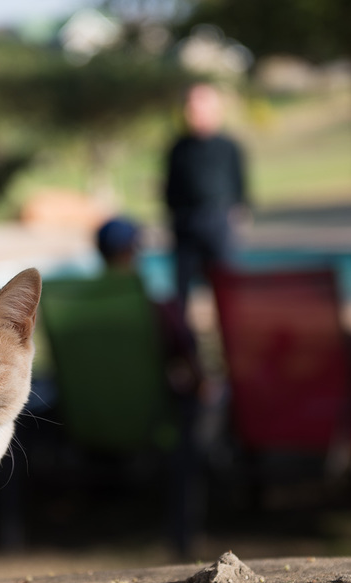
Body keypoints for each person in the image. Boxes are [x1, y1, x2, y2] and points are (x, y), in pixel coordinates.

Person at [96, 217, 203, 399]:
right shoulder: (154, 307)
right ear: (130, 251)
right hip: (148, 399)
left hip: (101, 399)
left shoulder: (87, 306)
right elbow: (182, 347)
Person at [164, 83, 247, 313]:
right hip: (186, 222)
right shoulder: (178, 148)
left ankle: (231, 326)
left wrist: (238, 214)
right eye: (190, 106)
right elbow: (171, 188)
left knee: (226, 282)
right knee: (182, 285)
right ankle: (181, 330)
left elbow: (240, 184)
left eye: (200, 105)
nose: (194, 111)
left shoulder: (228, 146)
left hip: (218, 219)